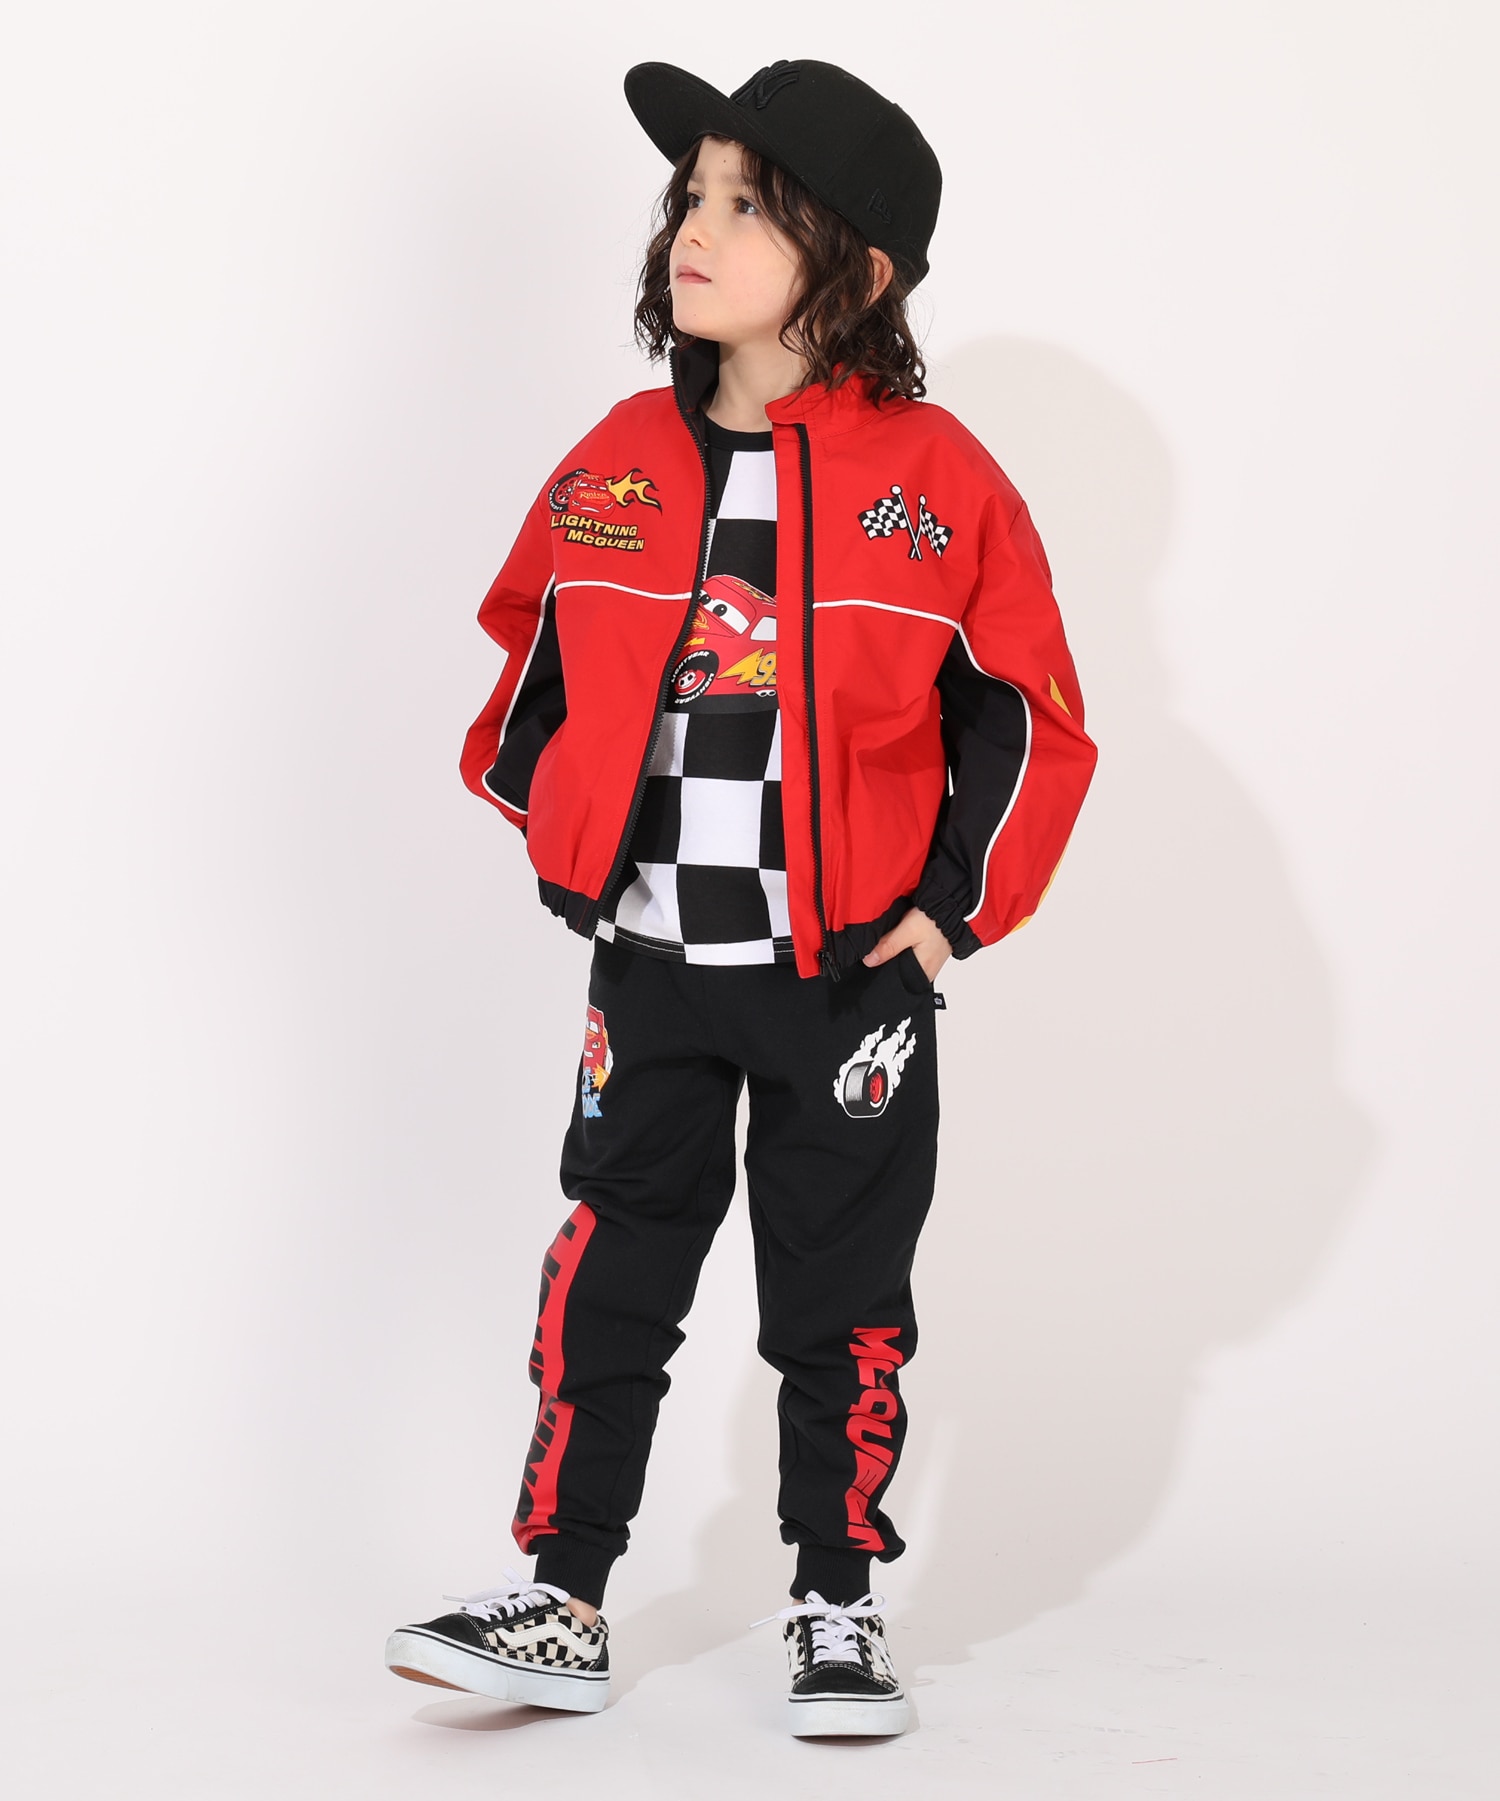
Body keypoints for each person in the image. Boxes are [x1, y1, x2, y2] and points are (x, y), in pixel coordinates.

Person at [384, 58, 1097, 1738]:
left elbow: (1025, 716)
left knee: (839, 1298)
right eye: (688, 198)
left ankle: (835, 1600)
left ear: (855, 264)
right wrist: (566, 832)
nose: (691, 231)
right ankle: (563, 1595)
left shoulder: (942, 482)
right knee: (610, 1271)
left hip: (844, 983)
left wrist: (948, 913)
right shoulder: (619, 459)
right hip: (652, 965)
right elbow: (532, 662)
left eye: (744, 206)